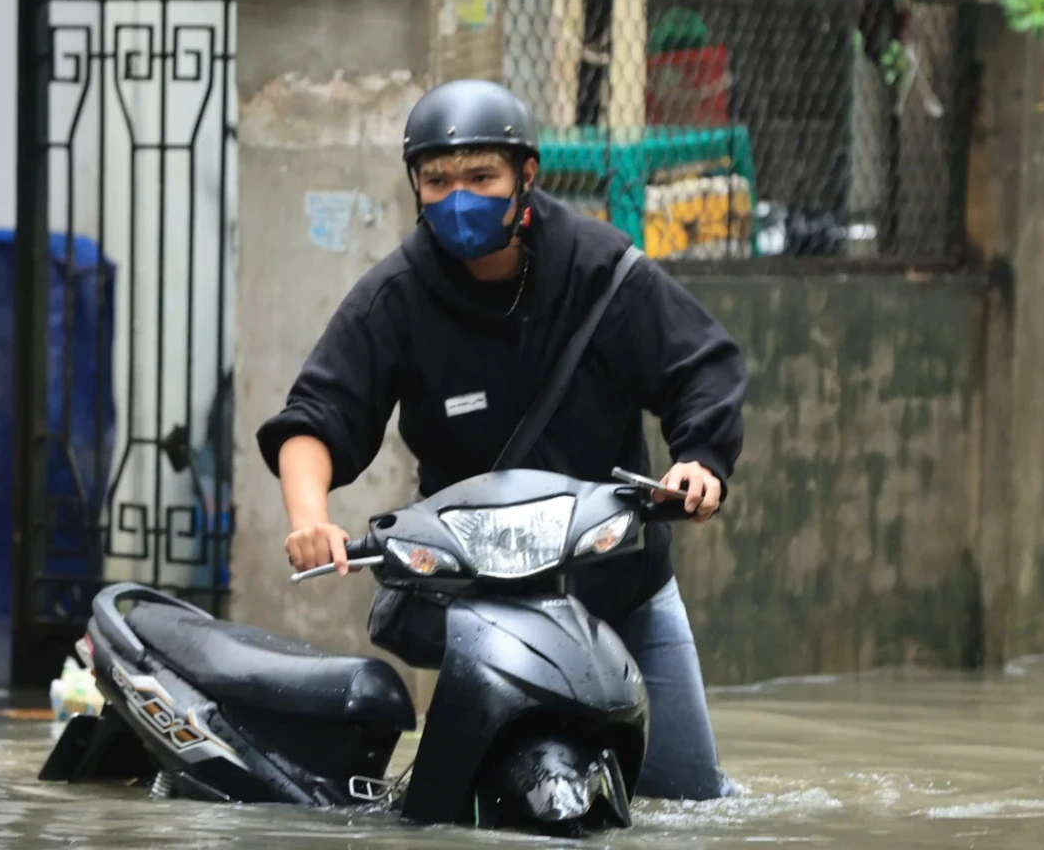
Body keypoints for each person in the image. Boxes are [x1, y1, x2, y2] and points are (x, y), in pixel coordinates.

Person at [255, 80, 747, 801]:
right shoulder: (397, 295)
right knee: (455, 813)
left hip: (621, 589)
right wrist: (309, 521)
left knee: (689, 808)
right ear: (415, 187)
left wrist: (700, 463)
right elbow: (316, 416)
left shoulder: (600, 270)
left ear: (527, 176)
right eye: (438, 180)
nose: (460, 197)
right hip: (479, 606)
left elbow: (700, 367)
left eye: (482, 177)